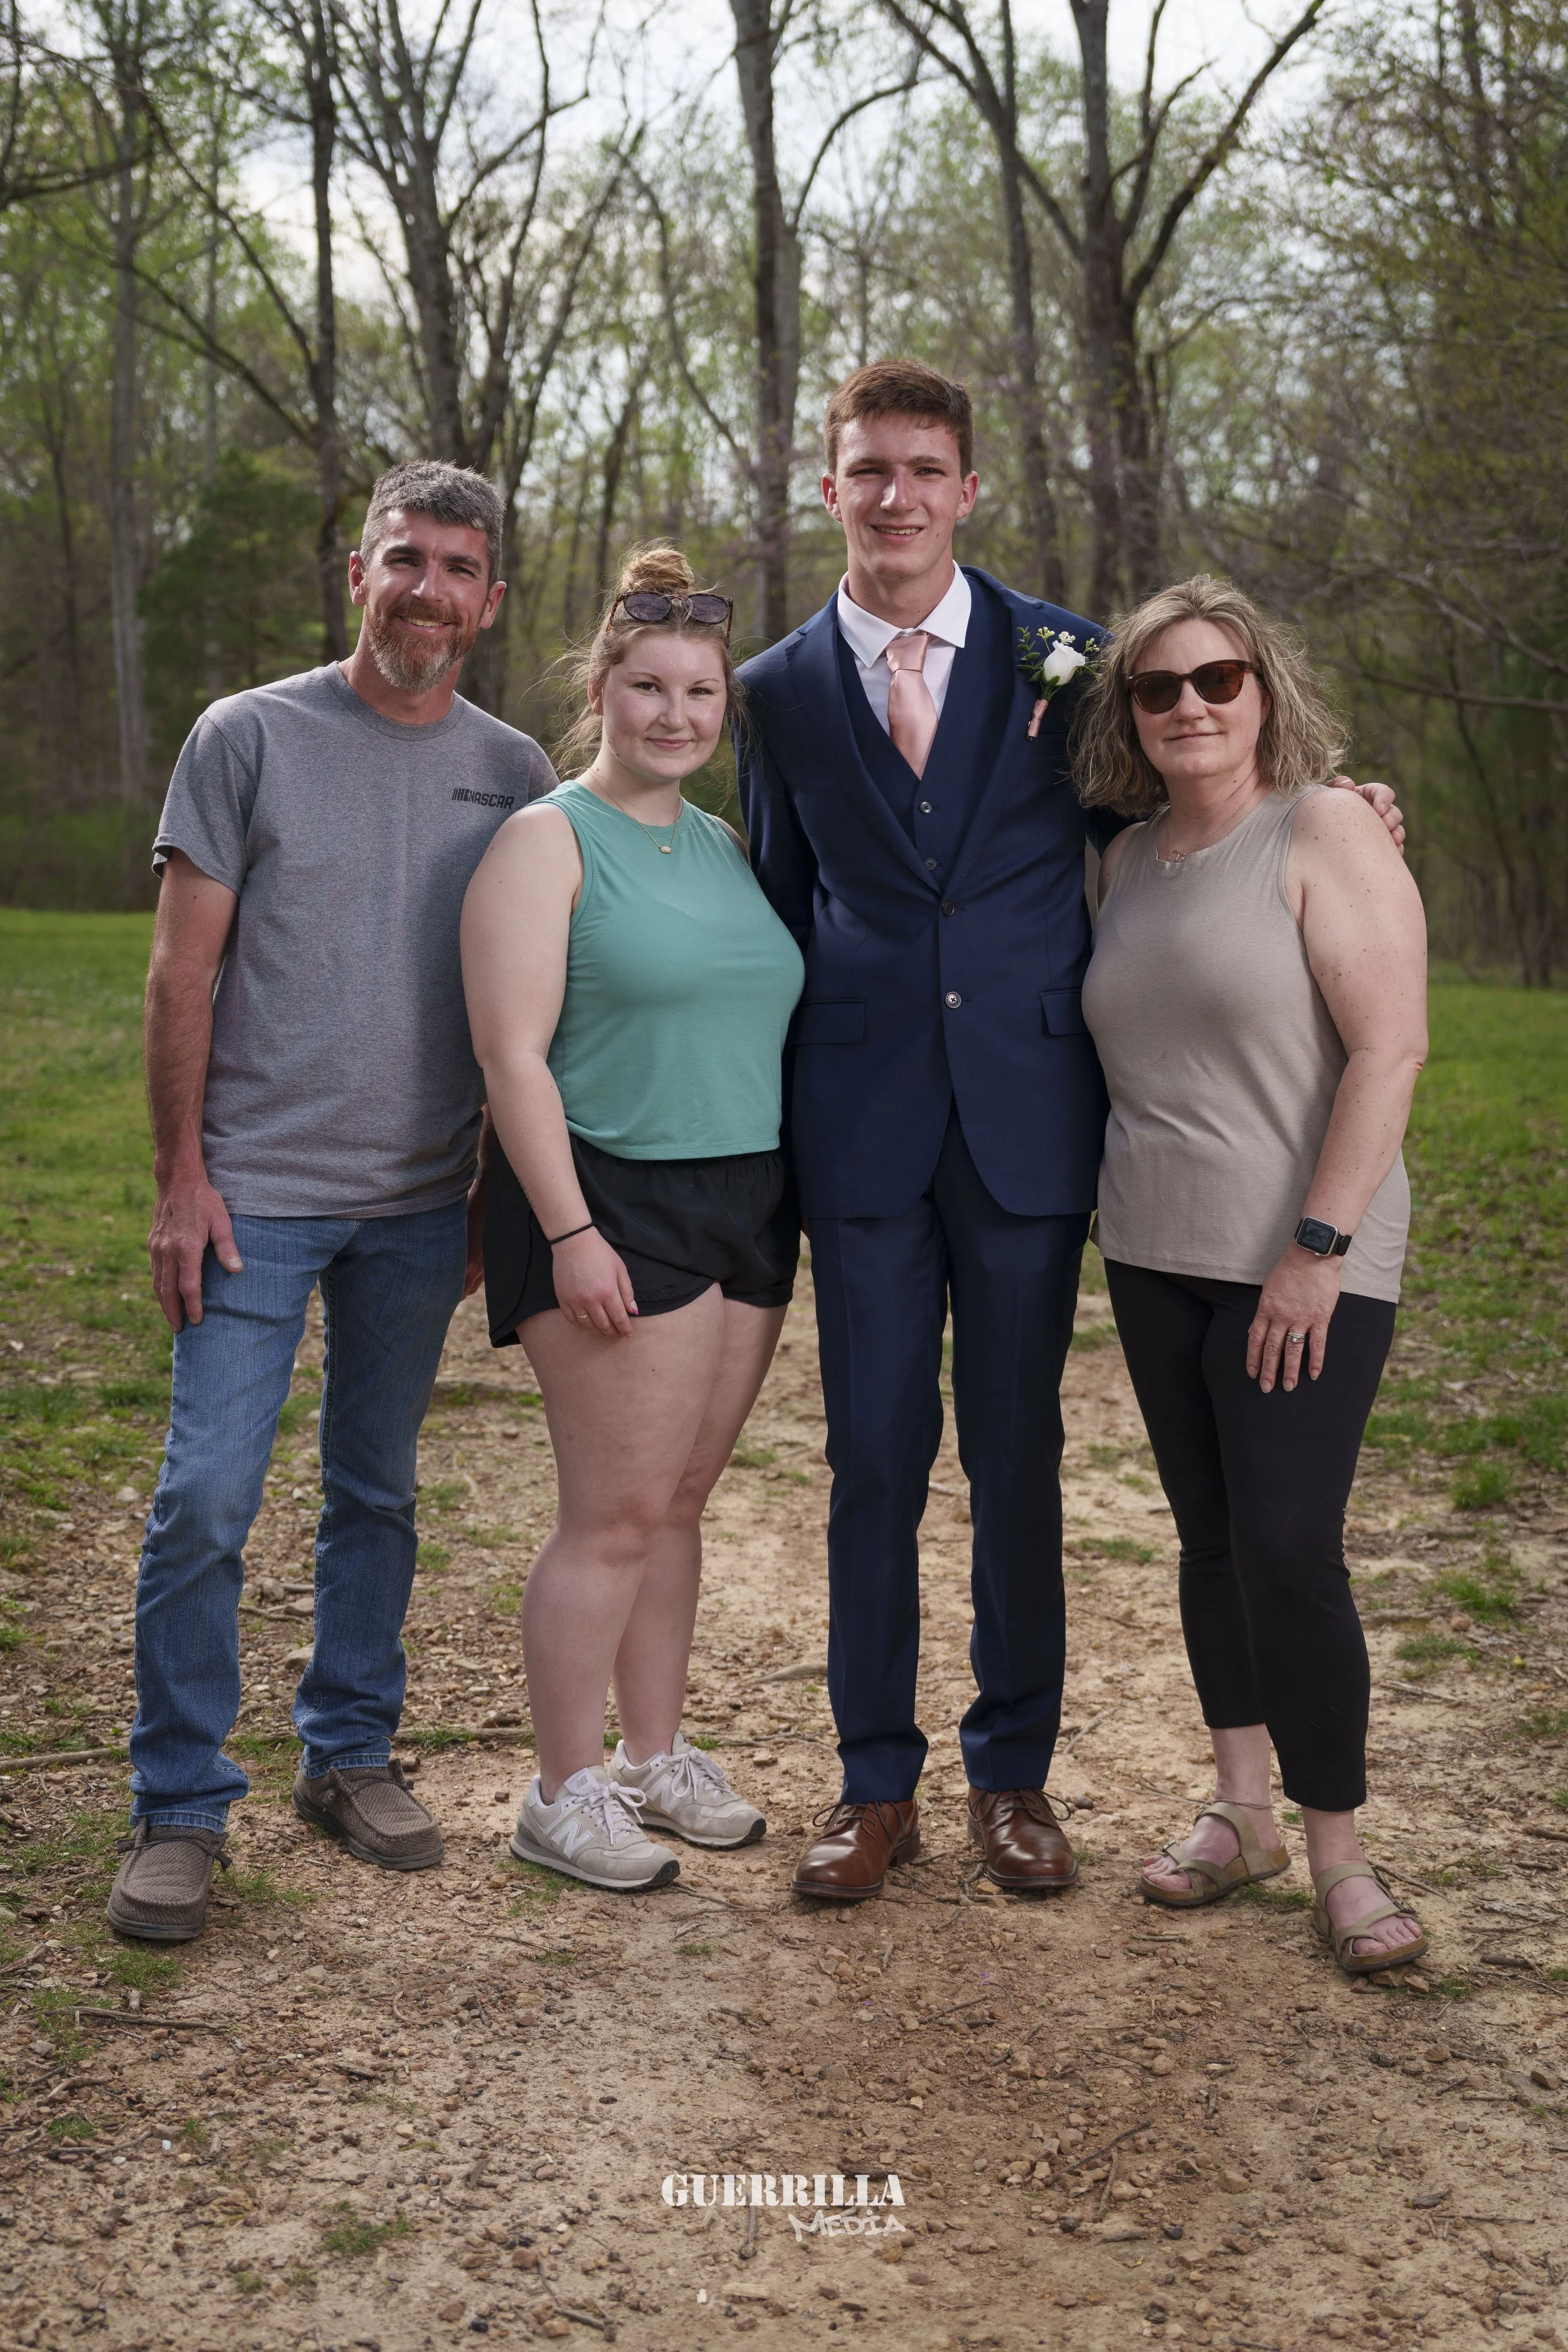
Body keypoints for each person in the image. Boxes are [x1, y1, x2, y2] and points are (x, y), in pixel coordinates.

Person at [736, 358, 1407, 1905]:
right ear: (826, 486)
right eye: (866, 470)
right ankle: (870, 1782)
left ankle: (1012, 1776)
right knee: (871, 1462)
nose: (893, 496)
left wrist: (1338, 806)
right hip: (859, 1135)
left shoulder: (1075, 663)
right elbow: (777, 913)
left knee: (1020, 1454)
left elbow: (1191, 827)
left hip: (1037, 1130)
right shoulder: (773, 692)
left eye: (923, 469)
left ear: (968, 490)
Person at [108, 462, 556, 1945]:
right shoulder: (247, 736)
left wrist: (502, 1181)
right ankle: (178, 1804)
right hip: (253, 1196)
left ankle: (346, 1753)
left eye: (457, 568)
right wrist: (182, 1179)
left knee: (376, 1490)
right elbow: (182, 969)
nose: (426, 588)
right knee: (209, 1497)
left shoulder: (515, 769)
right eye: (402, 558)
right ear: (354, 573)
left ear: (488, 602)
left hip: (423, 1202)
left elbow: (532, 992)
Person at [1077, 574, 1429, 1974]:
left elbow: (1390, 1049)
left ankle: (1338, 1853)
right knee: (1209, 1539)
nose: (1186, 706)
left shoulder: (1327, 825)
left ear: (1262, 688)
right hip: (1152, 1253)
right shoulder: (1120, 859)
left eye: (1214, 679)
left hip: (1303, 1258)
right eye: (1156, 689)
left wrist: (1315, 1250)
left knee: (1289, 1547)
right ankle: (1240, 1810)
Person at [461, 546, 805, 1892]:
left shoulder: (719, 842)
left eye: (701, 693)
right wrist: (566, 1232)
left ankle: (656, 1758)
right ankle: (562, 1790)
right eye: (649, 687)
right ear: (600, 688)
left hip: (746, 1201)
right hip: (611, 1201)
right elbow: (511, 1058)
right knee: (608, 1514)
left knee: (677, 1504)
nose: (675, 714)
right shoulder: (542, 841)